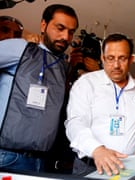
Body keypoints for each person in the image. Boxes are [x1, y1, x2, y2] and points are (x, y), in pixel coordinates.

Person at [0, 4, 78, 172]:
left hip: (42, 163)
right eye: (60, 28)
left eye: (71, 32)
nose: (65, 36)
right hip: (8, 157)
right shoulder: (20, 48)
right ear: (43, 25)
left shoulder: (63, 67)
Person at [65, 33, 135, 176]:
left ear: (130, 60)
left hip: (127, 169)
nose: (116, 65)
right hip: (90, 167)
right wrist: (97, 149)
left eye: (122, 58)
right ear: (103, 58)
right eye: (110, 58)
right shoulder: (86, 83)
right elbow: (75, 124)